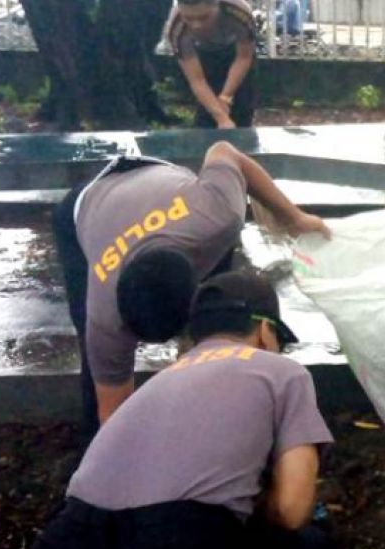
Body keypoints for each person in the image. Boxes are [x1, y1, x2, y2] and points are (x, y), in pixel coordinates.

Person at [22, 270, 337, 549]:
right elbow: (291, 509)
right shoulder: (282, 373)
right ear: (266, 330)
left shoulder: (160, 383)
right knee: (310, 546)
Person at [51, 143, 329, 439]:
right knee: (96, 359)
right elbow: (112, 416)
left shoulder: (217, 213)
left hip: (165, 187)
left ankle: (207, 410)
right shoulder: (105, 317)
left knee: (218, 327)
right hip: (85, 205)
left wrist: (294, 218)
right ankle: (88, 455)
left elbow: (225, 151)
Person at [166, 0, 258, 129]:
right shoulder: (177, 29)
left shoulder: (239, 13)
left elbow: (244, 57)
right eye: (188, 18)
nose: (196, 25)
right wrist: (221, 118)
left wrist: (226, 97)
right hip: (203, 55)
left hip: (235, 52)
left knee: (243, 105)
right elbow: (197, 80)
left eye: (203, 17)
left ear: (216, 5)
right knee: (208, 115)